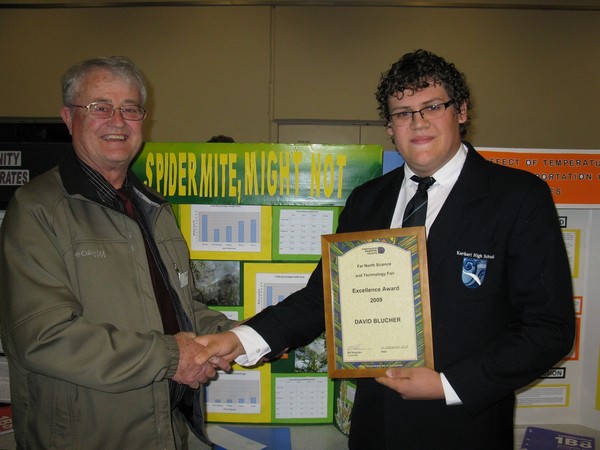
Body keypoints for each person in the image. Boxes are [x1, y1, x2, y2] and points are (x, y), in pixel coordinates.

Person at [194, 49, 576, 449]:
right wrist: (241, 339)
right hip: (376, 426)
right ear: (390, 127)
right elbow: (322, 299)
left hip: (465, 426)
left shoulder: (517, 198)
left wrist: (448, 384)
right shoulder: (368, 201)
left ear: (461, 111)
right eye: (402, 113)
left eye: (432, 106)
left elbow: (549, 329)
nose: (418, 122)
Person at [0, 56, 234, 449]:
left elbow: (179, 307)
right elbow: (44, 337)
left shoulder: (153, 209)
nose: (118, 121)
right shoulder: (38, 209)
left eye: (130, 109)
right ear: (68, 117)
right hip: (85, 437)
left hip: (165, 429)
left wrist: (238, 336)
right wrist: (173, 357)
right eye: (100, 108)